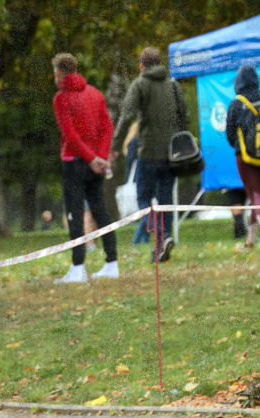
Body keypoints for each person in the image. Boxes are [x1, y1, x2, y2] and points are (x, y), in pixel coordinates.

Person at [110, 47, 188, 263]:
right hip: (172, 154)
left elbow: (126, 116)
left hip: (148, 152)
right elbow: (185, 117)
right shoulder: (173, 85)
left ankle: (161, 235)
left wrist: (115, 146)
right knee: (165, 201)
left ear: (141, 66)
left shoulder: (139, 84)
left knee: (144, 199)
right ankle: (163, 245)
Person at [51, 53, 118, 283]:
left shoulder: (61, 98)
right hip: (95, 165)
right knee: (100, 211)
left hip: (74, 163)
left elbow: (69, 134)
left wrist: (91, 158)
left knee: (75, 214)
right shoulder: (95, 94)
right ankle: (112, 263)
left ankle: (78, 268)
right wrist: (100, 157)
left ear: (59, 72)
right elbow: (107, 128)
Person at [226, 65, 260, 252]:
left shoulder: (236, 103)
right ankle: (250, 242)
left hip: (246, 156)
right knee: (257, 195)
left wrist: (240, 145)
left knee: (255, 194)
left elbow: (230, 135)